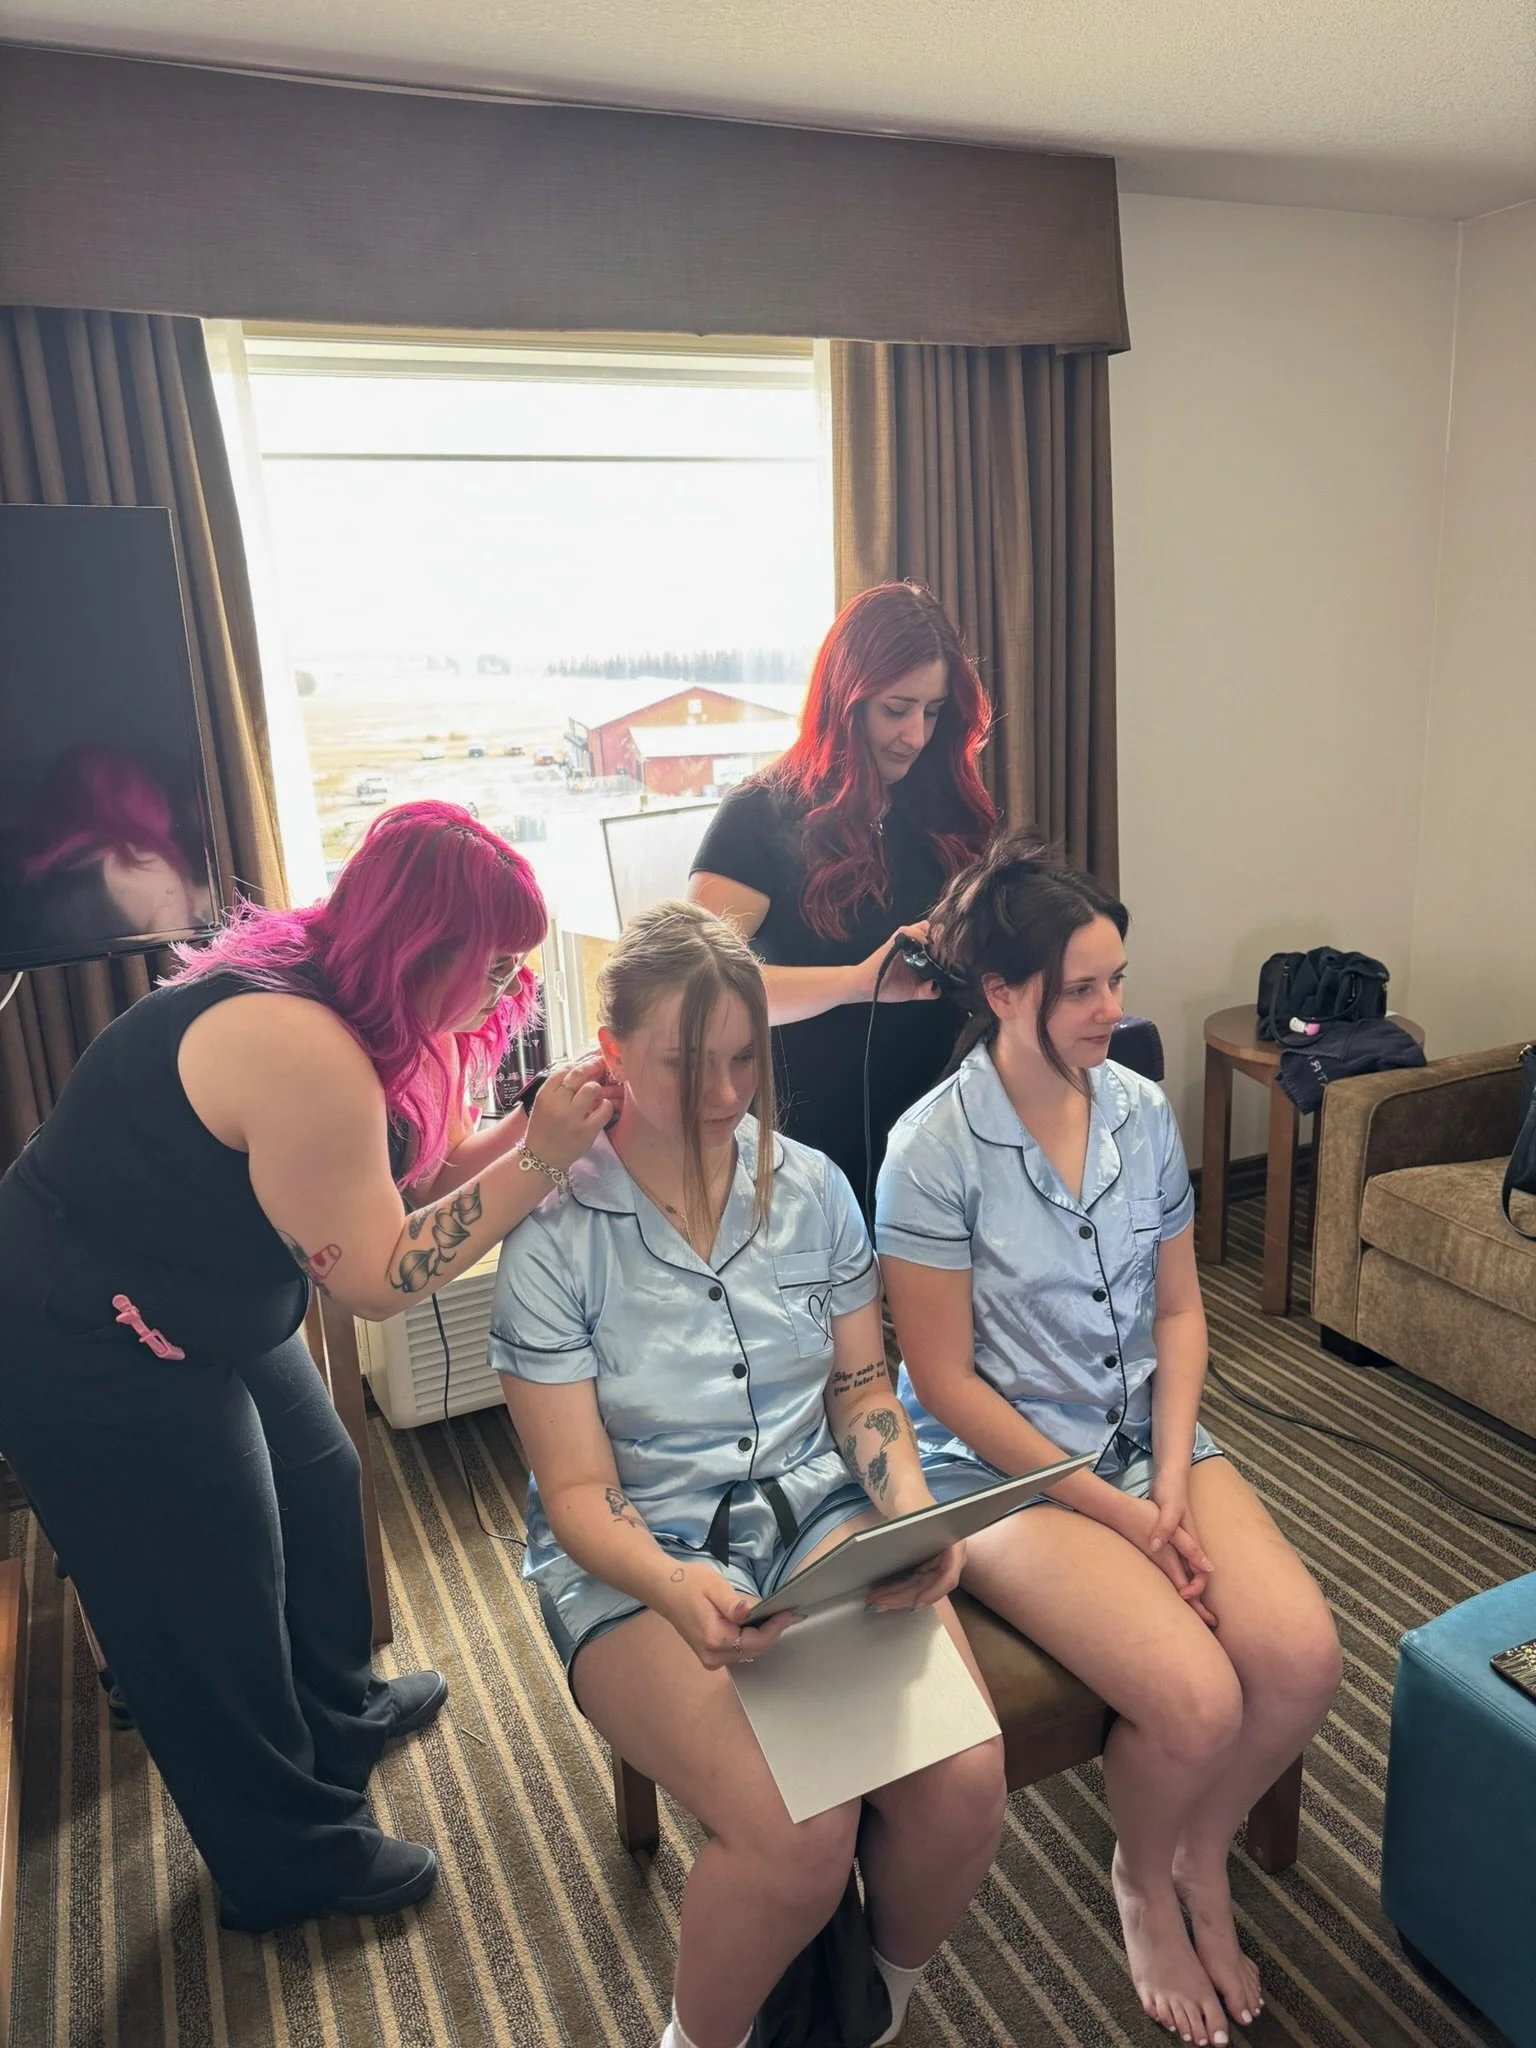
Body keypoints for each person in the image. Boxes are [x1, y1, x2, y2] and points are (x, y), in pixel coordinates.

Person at [0, 801, 615, 1931]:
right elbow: (379, 1275)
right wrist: (541, 1161)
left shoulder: (365, 996)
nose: (507, 991)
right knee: (210, 1594)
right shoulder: (301, 1044)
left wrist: (539, 1128)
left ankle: (340, 1712)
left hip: (197, 1285)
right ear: (420, 946)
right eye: (491, 966)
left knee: (322, 1480)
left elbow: (414, 1182)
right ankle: (286, 1862)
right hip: (83, 1329)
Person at [490, 901, 1006, 2048]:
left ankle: (873, 2003)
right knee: (796, 1832)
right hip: (635, 1547)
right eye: (687, 1061)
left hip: (810, 1507)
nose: (725, 1092)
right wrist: (675, 1586)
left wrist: (912, 1511)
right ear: (612, 1051)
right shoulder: (555, 1235)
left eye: (744, 1057)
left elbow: (861, 1390)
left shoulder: (811, 1187)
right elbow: (576, 1495)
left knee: (965, 1786)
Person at [874, 837, 1342, 2048]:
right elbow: (943, 1384)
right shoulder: (932, 1148)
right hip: (1003, 1475)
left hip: (1147, 1440)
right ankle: (1140, 1875)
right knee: (1195, 1699)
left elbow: (1180, 1313)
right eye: (1080, 988)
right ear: (1002, 992)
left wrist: (1172, 1476)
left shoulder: (1138, 1107)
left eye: (1116, 979)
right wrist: (1124, 1512)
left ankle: (1198, 1851)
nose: (1110, 1008)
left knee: (1302, 1660)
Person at [688, 582, 995, 1211]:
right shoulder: (758, 814)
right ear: (844, 701)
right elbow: (697, 987)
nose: (915, 735)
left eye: (933, 712)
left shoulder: (940, 810)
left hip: (934, 1131)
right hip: (805, 1145)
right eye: (896, 709)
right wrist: (859, 982)